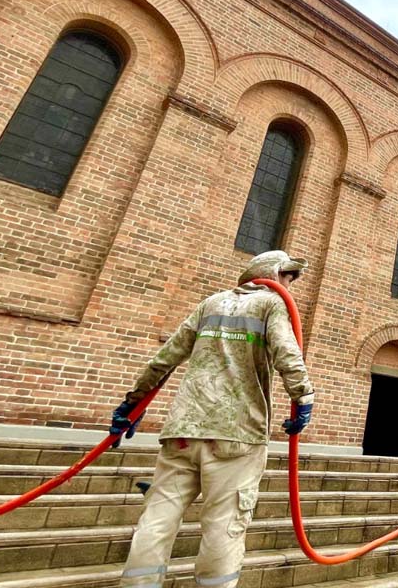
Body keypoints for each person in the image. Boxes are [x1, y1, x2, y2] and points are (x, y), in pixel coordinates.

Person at [113, 251, 316, 588]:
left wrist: (132, 404)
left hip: (183, 430)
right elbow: (287, 353)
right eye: (288, 277)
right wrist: (303, 399)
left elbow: (166, 357)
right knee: (224, 524)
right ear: (273, 273)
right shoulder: (271, 304)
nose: (290, 285)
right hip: (237, 434)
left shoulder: (210, 303)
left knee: (157, 520)